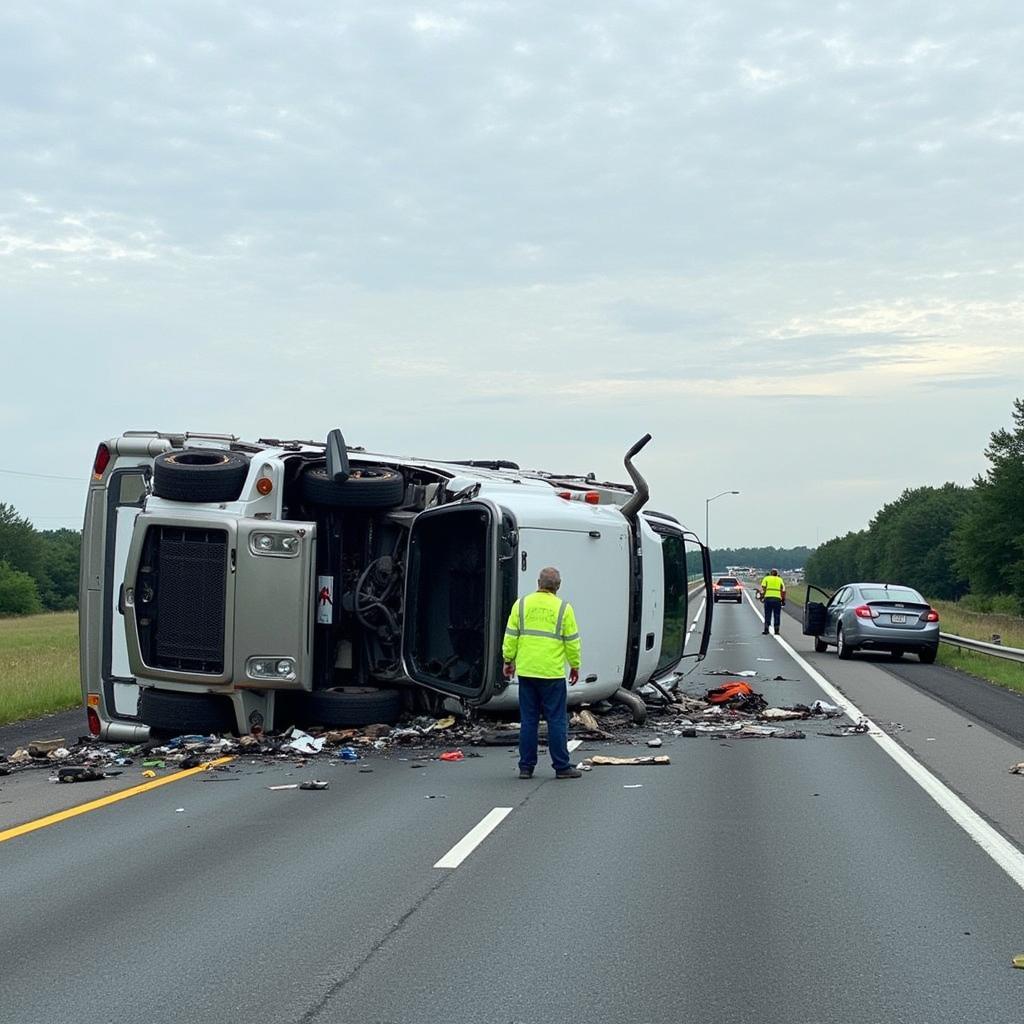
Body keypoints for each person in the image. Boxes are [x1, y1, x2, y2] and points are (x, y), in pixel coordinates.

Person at [502, 566, 582, 780]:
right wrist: (574, 665)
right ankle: (562, 767)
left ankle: (526, 767)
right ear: (558, 586)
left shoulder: (521, 605)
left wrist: (508, 660)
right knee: (556, 720)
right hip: (552, 674)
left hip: (527, 671)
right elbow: (572, 642)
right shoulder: (564, 609)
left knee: (529, 721)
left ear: (538, 583)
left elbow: (511, 636)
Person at [758, 568, 786, 635]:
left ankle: (766, 629)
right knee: (777, 615)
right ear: (777, 574)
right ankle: (776, 630)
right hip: (777, 599)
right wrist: (783, 600)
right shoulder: (780, 580)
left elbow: (763, 588)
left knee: (767, 614)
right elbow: (783, 590)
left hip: (768, 598)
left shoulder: (766, 578)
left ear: (770, 573)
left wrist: (762, 597)